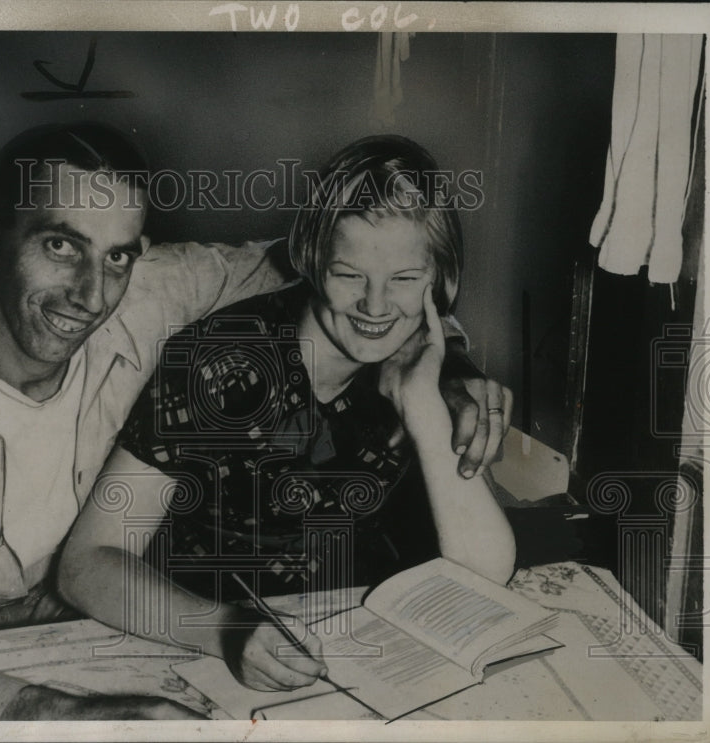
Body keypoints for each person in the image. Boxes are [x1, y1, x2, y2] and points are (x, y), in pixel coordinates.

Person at [0, 123, 510, 721]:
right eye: (59, 243)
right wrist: (56, 718)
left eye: (119, 255)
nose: (91, 295)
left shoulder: (151, 287)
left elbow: (317, 269)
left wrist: (447, 370)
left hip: (106, 630)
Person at [57, 135, 517, 693]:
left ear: (438, 282)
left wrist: (422, 405)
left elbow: (485, 577)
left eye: (403, 280)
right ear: (313, 260)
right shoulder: (221, 361)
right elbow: (86, 562)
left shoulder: (424, 362)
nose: (375, 307)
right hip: (205, 651)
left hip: (354, 651)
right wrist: (223, 629)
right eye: (349, 275)